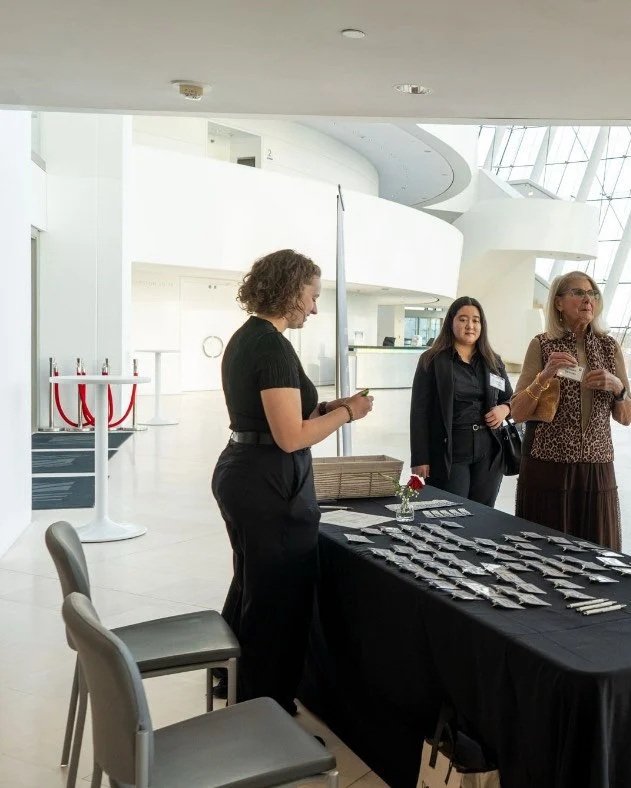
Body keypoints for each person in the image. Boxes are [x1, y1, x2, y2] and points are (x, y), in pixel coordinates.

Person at [211, 249, 373, 715]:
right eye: (313, 296)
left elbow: (279, 418)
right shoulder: (272, 347)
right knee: (278, 602)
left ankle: (236, 680)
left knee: (253, 584)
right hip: (268, 483)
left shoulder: (251, 338)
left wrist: (326, 407)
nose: (316, 307)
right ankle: (265, 712)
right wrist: (345, 414)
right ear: (290, 290)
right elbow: (289, 437)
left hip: (247, 471)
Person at [511, 271, 631, 549]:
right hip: (548, 465)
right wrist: (545, 375)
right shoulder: (541, 345)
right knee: (545, 553)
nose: (587, 299)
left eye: (592, 294)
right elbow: (517, 412)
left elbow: (626, 417)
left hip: (597, 467)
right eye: (578, 293)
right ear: (558, 303)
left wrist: (618, 387)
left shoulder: (609, 347)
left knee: (598, 554)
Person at [410, 296, 512, 506]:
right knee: (453, 512)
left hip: (489, 450)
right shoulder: (432, 360)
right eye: (463, 319)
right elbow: (419, 412)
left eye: (476, 320)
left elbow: (510, 398)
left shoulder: (493, 361)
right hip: (451, 450)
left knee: (484, 514)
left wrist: (504, 409)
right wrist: (420, 458)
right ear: (451, 322)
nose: (470, 325)